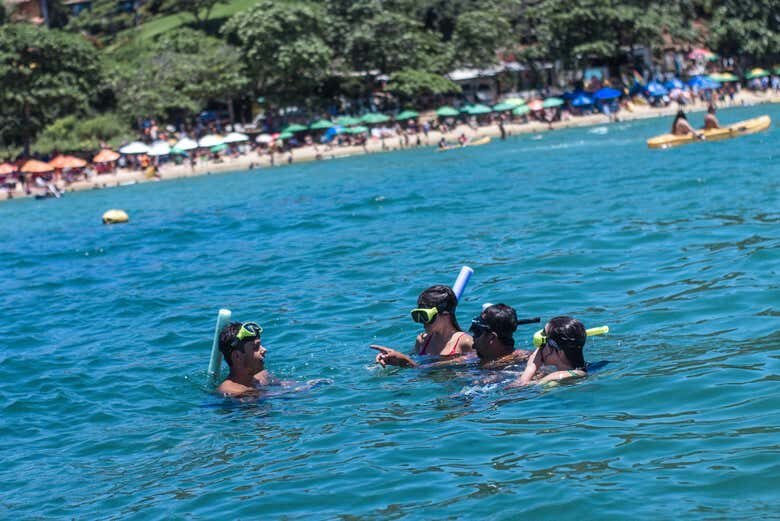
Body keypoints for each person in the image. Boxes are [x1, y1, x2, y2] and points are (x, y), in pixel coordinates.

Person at [372, 303, 532, 369]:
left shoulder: (526, 360)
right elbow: (431, 369)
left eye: (476, 333)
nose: (472, 338)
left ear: (491, 338)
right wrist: (405, 362)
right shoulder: (474, 359)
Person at [371, 285, 473, 367]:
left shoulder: (465, 343)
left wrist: (407, 362)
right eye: (418, 316)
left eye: (425, 316)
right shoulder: (422, 341)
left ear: (445, 314)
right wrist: (392, 358)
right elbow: (416, 365)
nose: (422, 322)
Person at [510, 316, 587, 387]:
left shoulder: (556, 376)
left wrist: (531, 367)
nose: (539, 348)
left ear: (560, 351)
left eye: (542, 342)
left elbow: (520, 386)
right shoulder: (578, 371)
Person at [216, 321, 276, 397]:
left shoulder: (262, 376)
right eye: (256, 347)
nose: (264, 349)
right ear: (237, 356)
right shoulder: (230, 391)